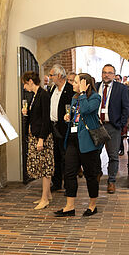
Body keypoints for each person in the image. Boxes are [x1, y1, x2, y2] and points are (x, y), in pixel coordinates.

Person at [56, 72, 103, 217]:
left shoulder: (95, 97)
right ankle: (69, 207)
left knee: (90, 174)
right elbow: (77, 116)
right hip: (72, 140)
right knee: (69, 173)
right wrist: (68, 117)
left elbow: (86, 110)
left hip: (88, 142)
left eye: (76, 82)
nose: (73, 84)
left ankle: (92, 205)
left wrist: (83, 93)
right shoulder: (74, 98)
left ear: (84, 84)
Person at [21, 70, 54, 209]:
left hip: (43, 136)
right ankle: (48, 195)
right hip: (36, 134)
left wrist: (41, 139)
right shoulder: (35, 96)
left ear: (30, 81)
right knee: (41, 166)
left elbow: (46, 119)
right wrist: (26, 113)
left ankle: (45, 198)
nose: (24, 87)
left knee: (45, 167)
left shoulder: (43, 95)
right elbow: (36, 117)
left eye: (24, 84)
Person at [96, 64, 129, 193]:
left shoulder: (120, 88)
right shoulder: (96, 86)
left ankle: (111, 181)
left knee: (113, 156)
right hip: (97, 126)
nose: (106, 75)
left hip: (112, 126)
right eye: (104, 72)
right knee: (95, 153)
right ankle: (97, 174)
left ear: (114, 75)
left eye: (109, 73)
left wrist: (120, 124)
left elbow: (126, 108)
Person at [47, 64, 74, 192]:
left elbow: (72, 109)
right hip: (53, 127)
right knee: (55, 157)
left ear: (59, 75)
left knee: (66, 158)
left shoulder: (70, 90)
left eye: (52, 75)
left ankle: (69, 185)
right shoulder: (52, 89)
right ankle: (56, 183)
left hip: (64, 128)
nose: (50, 77)